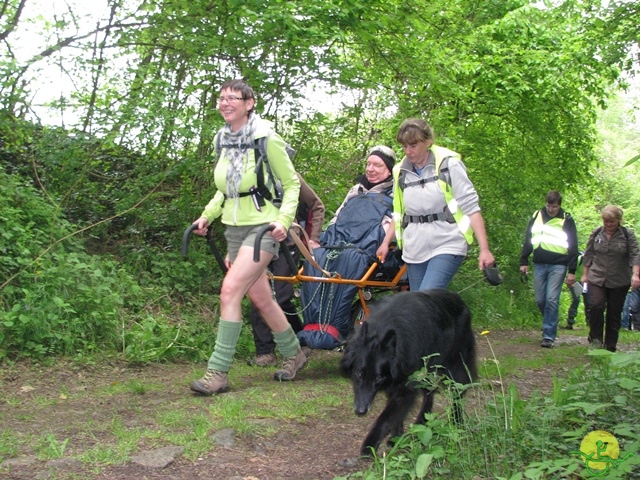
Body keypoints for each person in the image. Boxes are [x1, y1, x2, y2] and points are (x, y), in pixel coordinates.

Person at [189, 79, 307, 395]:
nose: (226, 102)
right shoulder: (222, 139)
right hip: (234, 228)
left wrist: (283, 220)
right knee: (261, 298)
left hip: (264, 228)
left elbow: (292, 184)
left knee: (229, 291)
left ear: (249, 103)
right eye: (221, 97)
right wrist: (207, 215)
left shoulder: (265, 138)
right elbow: (224, 190)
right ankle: (295, 352)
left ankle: (218, 372)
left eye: (233, 98)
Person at [377, 118, 495, 292]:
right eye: (404, 146)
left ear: (428, 142)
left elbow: (471, 208)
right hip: (414, 247)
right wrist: (385, 243)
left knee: (427, 296)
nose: (408, 151)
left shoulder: (449, 165)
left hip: (448, 241)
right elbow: (399, 212)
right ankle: (447, 319)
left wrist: (484, 249)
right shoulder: (400, 172)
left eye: (414, 145)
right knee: (419, 304)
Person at [248, 173, 325, 367]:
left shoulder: (292, 177)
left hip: (288, 242)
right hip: (258, 241)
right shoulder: (250, 176)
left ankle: (298, 341)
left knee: (281, 295)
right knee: (258, 294)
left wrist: (313, 238)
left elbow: (317, 206)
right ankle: (265, 351)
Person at [520, 190, 579, 348]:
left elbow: (573, 245)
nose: (550, 209)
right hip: (539, 263)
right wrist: (523, 260)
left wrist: (572, 271)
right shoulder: (537, 215)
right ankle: (551, 320)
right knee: (541, 300)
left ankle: (548, 335)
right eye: (548, 206)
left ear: (559, 205)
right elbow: (529, 238)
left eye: (553, 207)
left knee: (552, 299)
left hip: (559, 264)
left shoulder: (566, 219)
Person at [581, 205, 640, 351]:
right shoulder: (596, 233)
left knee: (614, 312)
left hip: (619, 279)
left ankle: (610, 345)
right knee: (596, 305)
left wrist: (635, 274)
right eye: (606, 221)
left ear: (619, 220)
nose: (608, 224)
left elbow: (635, 255)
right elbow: (588, 254)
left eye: (611, 222)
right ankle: (595, 338)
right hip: (597, 277)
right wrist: (585, 274)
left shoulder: (627, 235)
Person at [562, 252, 590, 329]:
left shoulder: (594, 261)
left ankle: (589, 323)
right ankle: (570, 322)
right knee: (576, 300)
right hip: (576, 282)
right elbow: (572, 269)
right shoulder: (580, 259)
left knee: (588, 302)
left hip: (587, 283)